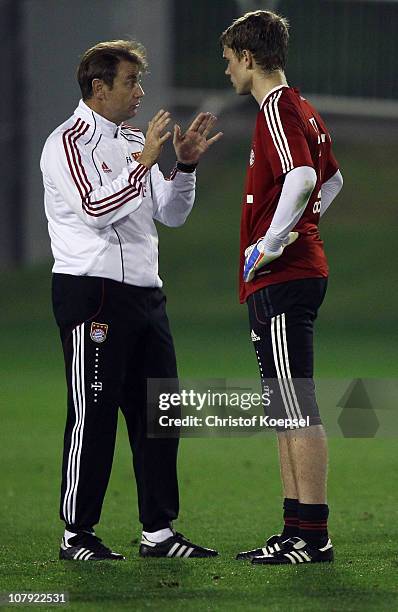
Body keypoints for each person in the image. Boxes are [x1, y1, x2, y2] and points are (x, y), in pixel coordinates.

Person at [40, 40, 222, 561]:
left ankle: (159, 533)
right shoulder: (65, 142)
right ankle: (77, 534)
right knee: (93, 414)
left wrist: (182, 167)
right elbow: (96, 210)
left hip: (146, 295)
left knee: (160, 415)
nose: (140, 92)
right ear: (99, 88)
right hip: (91, 294)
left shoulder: (127, 139)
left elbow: (170, 212)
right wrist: (143, 161)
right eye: (129, 83)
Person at [220, 11, 343, 564]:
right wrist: (301, 227)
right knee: (284, 404)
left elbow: (304, 178)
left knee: (296, 406)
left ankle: (312, 536)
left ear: (249, 57)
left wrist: (273, 243)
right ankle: (296, 528)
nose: (227, 70)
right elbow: (333, 180)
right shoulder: (304, 111)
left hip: (284, 276)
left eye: (229, 60)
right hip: (289, 273)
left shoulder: (276, 108)